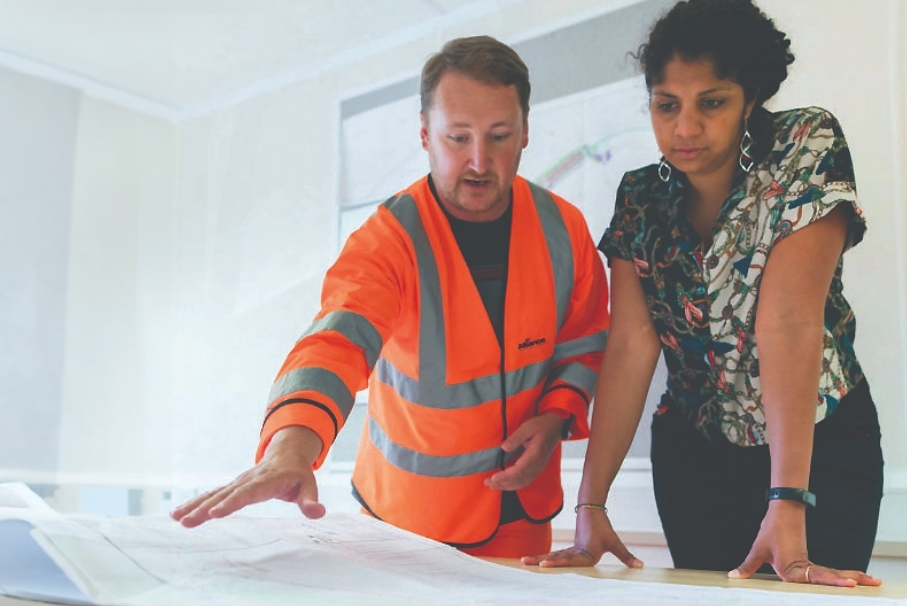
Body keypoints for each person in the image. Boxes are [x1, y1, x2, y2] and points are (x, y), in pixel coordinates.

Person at [171, 36, 610, 559]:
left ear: (526, 134)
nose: (478, 161)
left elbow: (583, 346)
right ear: (425, 135)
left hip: (522, 517)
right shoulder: (387, 240)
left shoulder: (565, 229)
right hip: (405, 527)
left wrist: (558, 415)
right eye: (457, 138)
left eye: (499, 136)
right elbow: (335, 343)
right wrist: (291, 447)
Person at [523, 0, 884, 587]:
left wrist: (788, 498)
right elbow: (631, 348)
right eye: (667, 106)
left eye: (711, 103)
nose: (684, 128)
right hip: (695, 457)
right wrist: (590, 506)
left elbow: (788, 323)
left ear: (750, 98)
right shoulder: (640, 197)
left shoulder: (804, 145)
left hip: (817, 448)